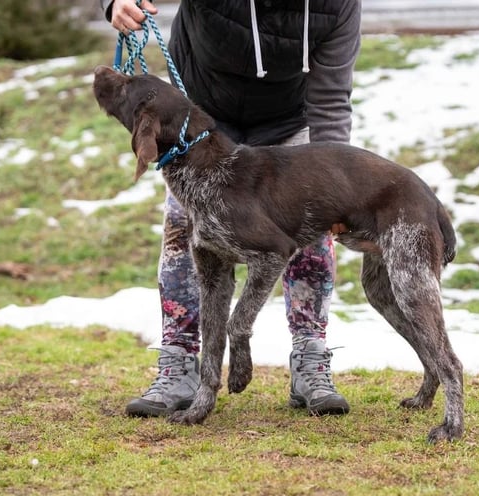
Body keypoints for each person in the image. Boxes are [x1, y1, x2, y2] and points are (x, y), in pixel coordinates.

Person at [101, 0, 361, 417]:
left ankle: (310, 359)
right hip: (201, 115)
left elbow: (330, 99)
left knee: (312, 233)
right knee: (184, 231)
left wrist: (334, 182)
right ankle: (179, 363)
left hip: (287, 119)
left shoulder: (337, 5)